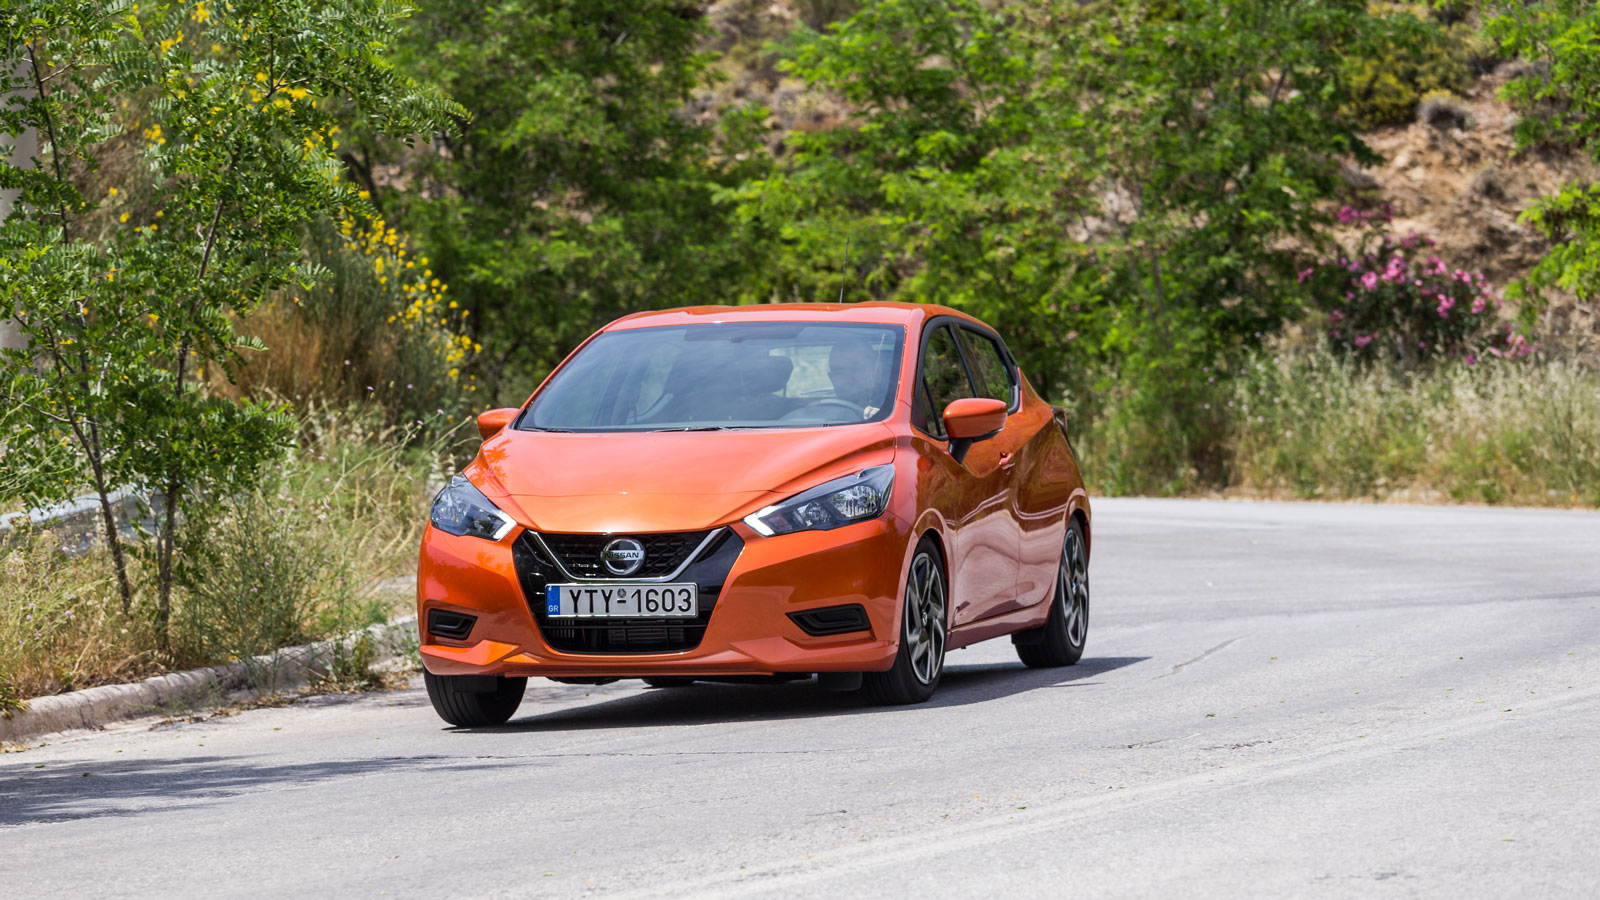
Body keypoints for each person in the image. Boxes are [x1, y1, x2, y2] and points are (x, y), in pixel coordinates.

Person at [827, 339, 885, 418]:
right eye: (839, 371)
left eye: (856, 368)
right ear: (831, 378)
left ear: (877, 372)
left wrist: (880, 417)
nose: (848, 376)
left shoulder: (897, 410)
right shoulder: (816, 416)